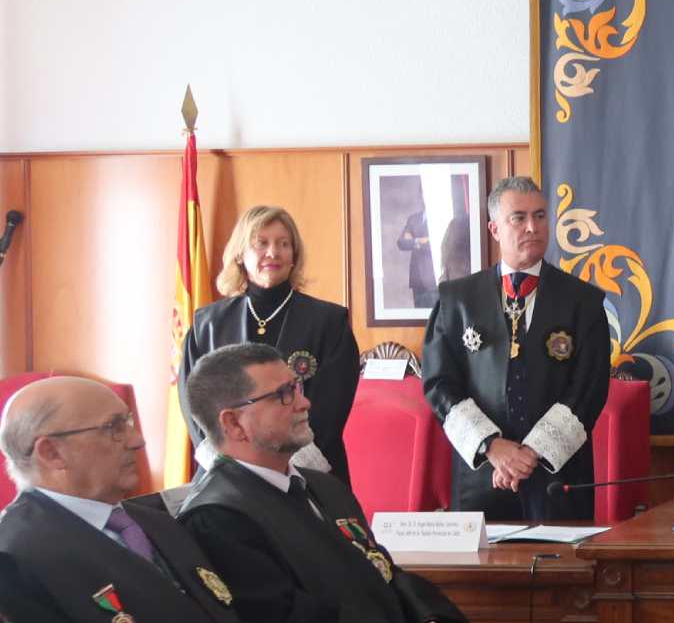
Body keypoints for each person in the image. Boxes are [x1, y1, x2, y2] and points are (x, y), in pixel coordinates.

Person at [179, 342, 466, 623]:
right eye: (283, 394)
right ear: (232, 423)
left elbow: (383, 573)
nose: (304, 403)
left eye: (296, 387)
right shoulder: (217, 518)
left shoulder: (324, 487)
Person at [422, 176, 609, 520]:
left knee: (561, 569)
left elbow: (589, 388)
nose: (532, 227)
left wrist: (530, 454)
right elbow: (439, 385)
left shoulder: (584, 301)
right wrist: (492, 447)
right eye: (518, 218)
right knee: (484, 573)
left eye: (539, 216)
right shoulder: (456, 301)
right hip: (481, 475)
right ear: (494, 229)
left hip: (558, 474)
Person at [0, 377, 241, 622]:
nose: (137, 440)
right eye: (113, 428)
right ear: (52, 453)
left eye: (128, 422)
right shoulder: (14, 559)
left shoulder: (158, 522)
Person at [178, 205, 359, 481]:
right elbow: (194, 405)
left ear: (294, 255)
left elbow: (329, 411)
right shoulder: (208, 324)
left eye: (283, 244)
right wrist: (235, 461)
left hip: (307, 474)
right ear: (240, 254)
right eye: (261, 243)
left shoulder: (329, 322)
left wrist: (276, 464)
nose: (273, 253)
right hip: (227, 476)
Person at [397, 209, 439, 308]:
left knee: (436, 319)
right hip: (417, 280)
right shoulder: (413, 218)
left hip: (435, 279)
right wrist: (420, 240)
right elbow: (401, 243)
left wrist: (413, 241)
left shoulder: (443, 215)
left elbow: (439, 243)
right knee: (420, 319)